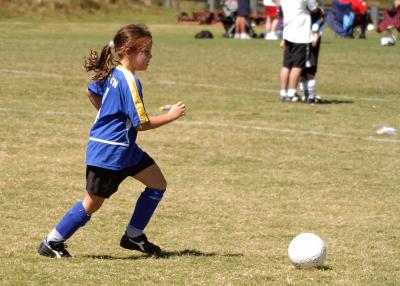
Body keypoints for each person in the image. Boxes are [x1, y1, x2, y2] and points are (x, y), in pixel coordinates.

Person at [38, 24, 186, 258]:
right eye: (145, 51)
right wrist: (171, 115)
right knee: (92, 203)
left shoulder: (114, 71)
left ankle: (133, 235)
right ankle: (52, 242)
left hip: (126, 149)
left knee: (157, 183)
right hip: (109, 154)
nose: (150, 57)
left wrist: (108, 116)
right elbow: (141, 123)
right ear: (128, 51)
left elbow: (92, 91)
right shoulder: (129, 81)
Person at [277, 0, 318, 102]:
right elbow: (314, 8)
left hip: (288, 33)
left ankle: (283, 93)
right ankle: (291, 93)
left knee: (286, 65)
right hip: (301, 34)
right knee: (297, 65)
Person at [299, 7, 324, 104]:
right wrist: (314, 39)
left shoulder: (305, 21)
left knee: (302, 73)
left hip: (301, 48)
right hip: (310, 50)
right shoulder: (317, 23)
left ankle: (305, 95)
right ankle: (311, 96)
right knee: (310, 73)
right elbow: (314, 40)